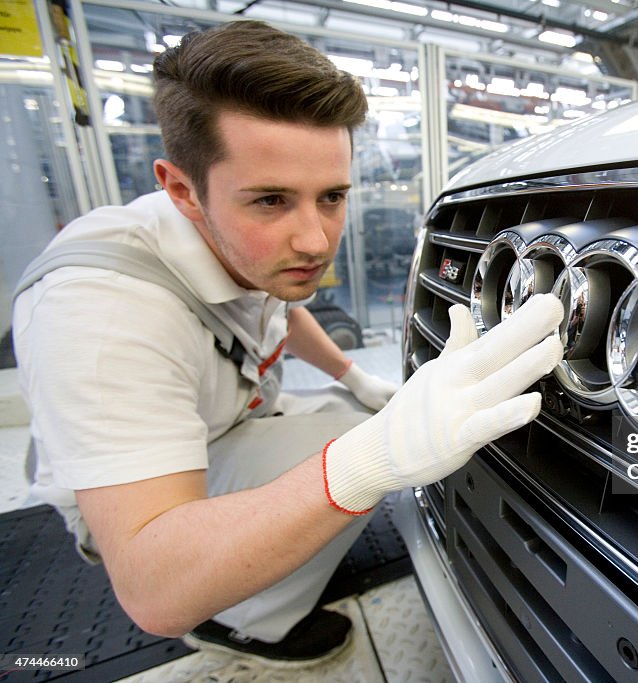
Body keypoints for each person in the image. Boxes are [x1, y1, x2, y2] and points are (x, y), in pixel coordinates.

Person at [12, 20, 563, 668]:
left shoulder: (238, 241)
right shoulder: (99, 311)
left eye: (331, 196)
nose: (314, 240)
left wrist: (356, 377)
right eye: (271, 200)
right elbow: (152, 585)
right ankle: (246, 624)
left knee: (362, 417)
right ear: (182, 190)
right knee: (348, 449)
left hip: (221, 424)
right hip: (132, 499)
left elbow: (278, 306)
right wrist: (364, 464)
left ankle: (271, 552)